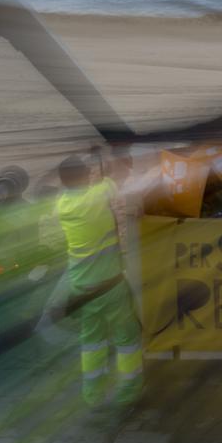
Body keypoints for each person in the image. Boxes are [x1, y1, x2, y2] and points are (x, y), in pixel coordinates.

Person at [56, 152, 143, 406]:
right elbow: (111, 181)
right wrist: (101, 162)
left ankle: (93, 395)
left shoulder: (63, 203)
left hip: (81, 286)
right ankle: (129, 389)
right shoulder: (98, 195)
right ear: (85, 176)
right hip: (109, 284)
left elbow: (95, 182)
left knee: (92, 341)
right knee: (127, 338)